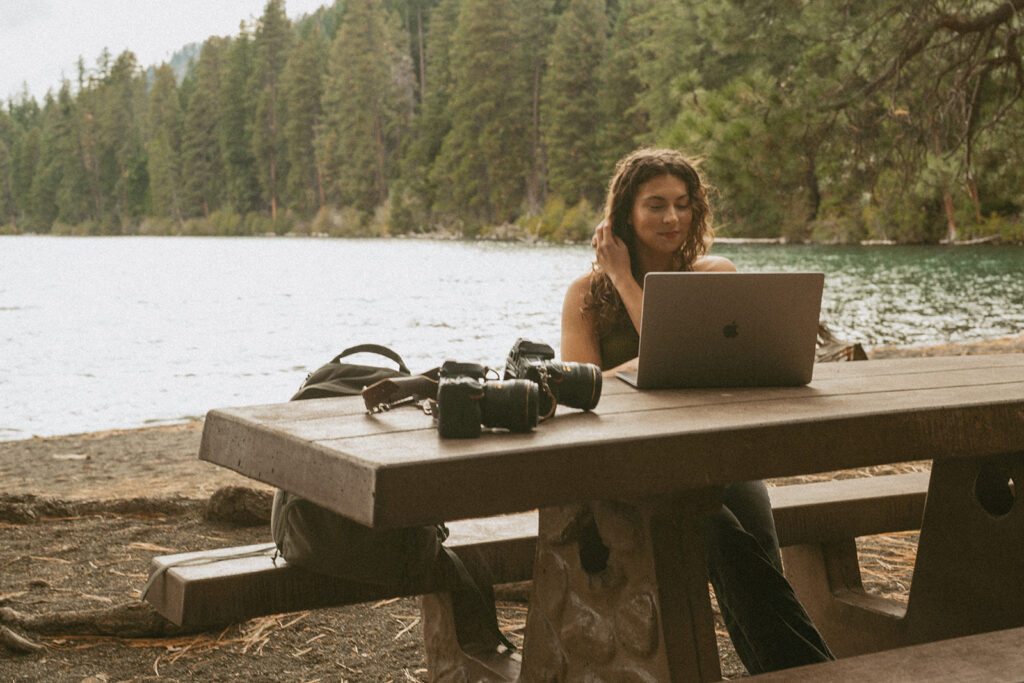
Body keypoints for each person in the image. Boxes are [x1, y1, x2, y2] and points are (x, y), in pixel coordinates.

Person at [560, 147, 835, 675]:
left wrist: (650, 362)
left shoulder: (714, 272)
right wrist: (620, 278)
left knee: (756, 556)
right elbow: (583, 390)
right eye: (656, 205)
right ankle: (811, 671)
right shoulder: (586, 295)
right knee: (717, 529)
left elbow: (699, 364)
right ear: (624, 215)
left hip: (715, 451)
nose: (672, 218)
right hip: (630, 464)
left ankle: (787, 670)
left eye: (683, 205)